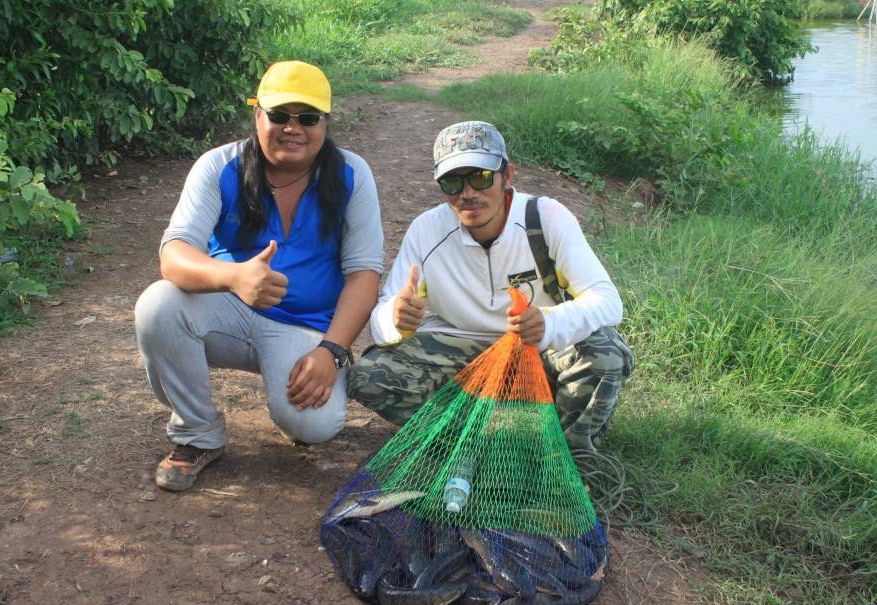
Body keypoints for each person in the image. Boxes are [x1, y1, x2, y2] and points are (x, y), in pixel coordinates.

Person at [135, 61, 384, 491]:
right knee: (159, 305)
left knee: (315, 425)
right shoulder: (218, 166)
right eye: (279, 115)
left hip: (307, 327)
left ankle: (289, 392)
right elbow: (173, 255)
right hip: (227, 312)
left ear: (326, 123)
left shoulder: (351, 174)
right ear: (257, 116)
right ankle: (198, 434)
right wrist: (232, 277)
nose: (293, 128)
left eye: (308, 118)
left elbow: (364, 274)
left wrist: (331, 350)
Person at [348, 121, 633, 452]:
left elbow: (608, 301)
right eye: (452, 182)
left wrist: (549, 322)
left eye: (481, 177)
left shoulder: (546, 218)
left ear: (507, 175)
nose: (468, 193)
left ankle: (570, 457)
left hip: (538, 349)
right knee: (370, 376)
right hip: (464, 350)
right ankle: (481, 442)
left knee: (604, 354)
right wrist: (395, 320)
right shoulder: (427, 231)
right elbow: (382, 322)